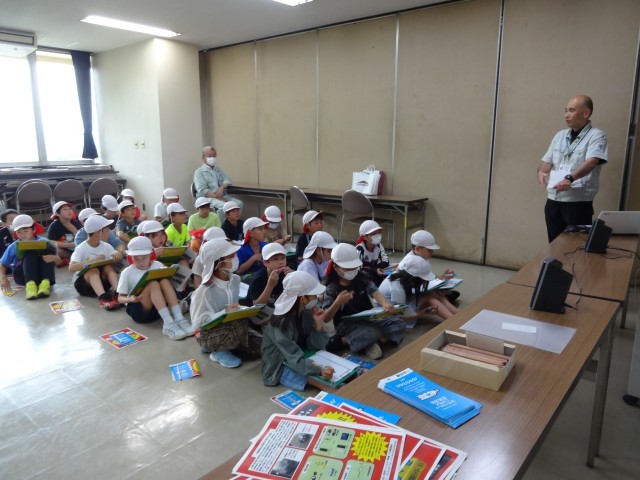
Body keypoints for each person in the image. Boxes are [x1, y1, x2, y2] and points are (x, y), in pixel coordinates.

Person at [537, 95, 608, 242]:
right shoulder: (560, 135)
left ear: (586, 113)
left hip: (578, 202)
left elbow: (592, 162)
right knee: (554, 245)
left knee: (575, 247)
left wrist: (569, 178)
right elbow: (547, 161)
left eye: (572, 110)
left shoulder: (596, 136)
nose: (566, 115)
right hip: (553, 200)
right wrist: (541, 171)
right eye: (566, 110)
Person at [321, 243, 405, 360]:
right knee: (373, 331)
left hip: (368, 318)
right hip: (346, 324)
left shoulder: (362, 276)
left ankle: (374, 342)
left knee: (398, 323)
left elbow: (374, 291)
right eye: (348, 268)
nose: (352, 270)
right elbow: (325, 318)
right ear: (336, 267)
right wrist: (338, 302)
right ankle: (344, 340)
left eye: (354, 267)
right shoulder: (332, 287)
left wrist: (385, 304)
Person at [190, 238, 262, 368]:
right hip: (206, 334)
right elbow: (197, 324)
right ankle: (218, 351)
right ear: (219, 264)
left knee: (261, 345)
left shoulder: (235, 280)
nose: (236, 259)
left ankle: (226, 345)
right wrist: (224, 313)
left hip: (232, 326)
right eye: (231, 256)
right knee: (239, 326)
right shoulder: (204, 290)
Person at [261, 271, 335, 390]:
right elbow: (293, 358)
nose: (316, 298)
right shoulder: (281, 324)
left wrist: (318, 325)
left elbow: (314, 346)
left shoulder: (305, 313)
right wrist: (319, 370)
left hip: (300, 356)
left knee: (326, 370)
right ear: (303, 299)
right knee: (322, 382)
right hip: (279, 364)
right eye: (313, 295)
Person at [116, 236, 195, 339]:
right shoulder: (127, 272)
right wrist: (131, 299)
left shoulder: (158, 265)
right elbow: (120, 298)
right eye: (136, 259)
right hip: (139, 310)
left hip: (158, 310)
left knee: (164, 280)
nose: (141, 262)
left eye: (144, 258)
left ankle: (179, 318)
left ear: (151, 254)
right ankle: (168, 324)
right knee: (153, 283)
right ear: (130, 257)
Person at [0, 214, 59, 299]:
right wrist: (3, 277)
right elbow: (2, 263)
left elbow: (59, 261)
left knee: (48, 250)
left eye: (25, 231)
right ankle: (30, 287)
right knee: (30, 253)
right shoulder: (14, 246)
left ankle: (44, 285)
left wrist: (54, 258)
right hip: (23, 276)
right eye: (19, 232)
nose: (22, 234)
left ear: (33, 229)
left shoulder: (44, 241)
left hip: (42, 275)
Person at [69, 215, 121, 310]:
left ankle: (118, 292)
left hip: (103, 283)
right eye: (107, 230)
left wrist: (118, 254)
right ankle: (103, 298)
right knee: (93, 270)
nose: (109, 233)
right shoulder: (81, 248)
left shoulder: (106, 246)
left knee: (108, 267)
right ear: (98, 233)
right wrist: (93, 261)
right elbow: (72, 267)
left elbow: (115, 255)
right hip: (84, 285)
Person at [378, 254, 450, 321]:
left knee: (434, 296)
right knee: (431, 299)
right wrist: (422, 313)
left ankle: (454, 317)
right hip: (389, 314)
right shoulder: (397, 289)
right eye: (424, 280)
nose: (425, 282)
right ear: (414, 280)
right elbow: (403, 316)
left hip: (400, 304)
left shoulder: (403, 276)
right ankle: (452, 320)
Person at [409, 230, 459, 316]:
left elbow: (428, 278)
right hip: (409, 300)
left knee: (439, 296)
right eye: (430, 250)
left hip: (417, 294)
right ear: (417, 248)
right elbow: (414, 288)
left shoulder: (421, 257)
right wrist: (434, 290)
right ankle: (454, 318)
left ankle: (458, 313)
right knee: (433, 298)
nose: (432, 252)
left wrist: (443, 277)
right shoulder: (413, 263)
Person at [193, 146, 244, 219]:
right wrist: (218, 198)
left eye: (214, 156)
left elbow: (228, 179)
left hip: (222, 196)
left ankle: (233, 223)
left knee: (239, 204)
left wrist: (222, 187)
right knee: (223, 206)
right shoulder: (199, 172)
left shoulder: (217, 169)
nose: (212, 158)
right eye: (210, 156)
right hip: (208, 198)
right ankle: (220, 225)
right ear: (203, 157)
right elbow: (202, 190)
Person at [248, 242, 293, 309]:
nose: (281, 262)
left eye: (283, 258)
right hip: (258, 312)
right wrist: (270, 285)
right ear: (266, 263)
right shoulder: (258, 279)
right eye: (276, 259)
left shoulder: (286, 273)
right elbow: (257, 306)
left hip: (279, 308)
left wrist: (294, 277)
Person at [355, 220, 390, 286]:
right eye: (373, 234)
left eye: (379, 232)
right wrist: (375, 270)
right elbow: (359, 269)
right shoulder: (359, 249)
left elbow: (386, 262)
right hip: (362, 277)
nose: (377, 235)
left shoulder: (378, 245)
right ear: (364, 237)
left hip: (373, 271)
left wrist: (375, 269)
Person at [47, 200, 81, 266]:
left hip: (76, 249)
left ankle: (69, 260)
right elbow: (50, 241)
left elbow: (82, 238)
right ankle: (72, 259)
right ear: (57, 213)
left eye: (70, 209)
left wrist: (74, 230)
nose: (69, 211)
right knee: (52, 249)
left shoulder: (75, 223)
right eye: (65, 209)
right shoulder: (54, 225)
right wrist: (68, 245)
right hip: (64, 250)